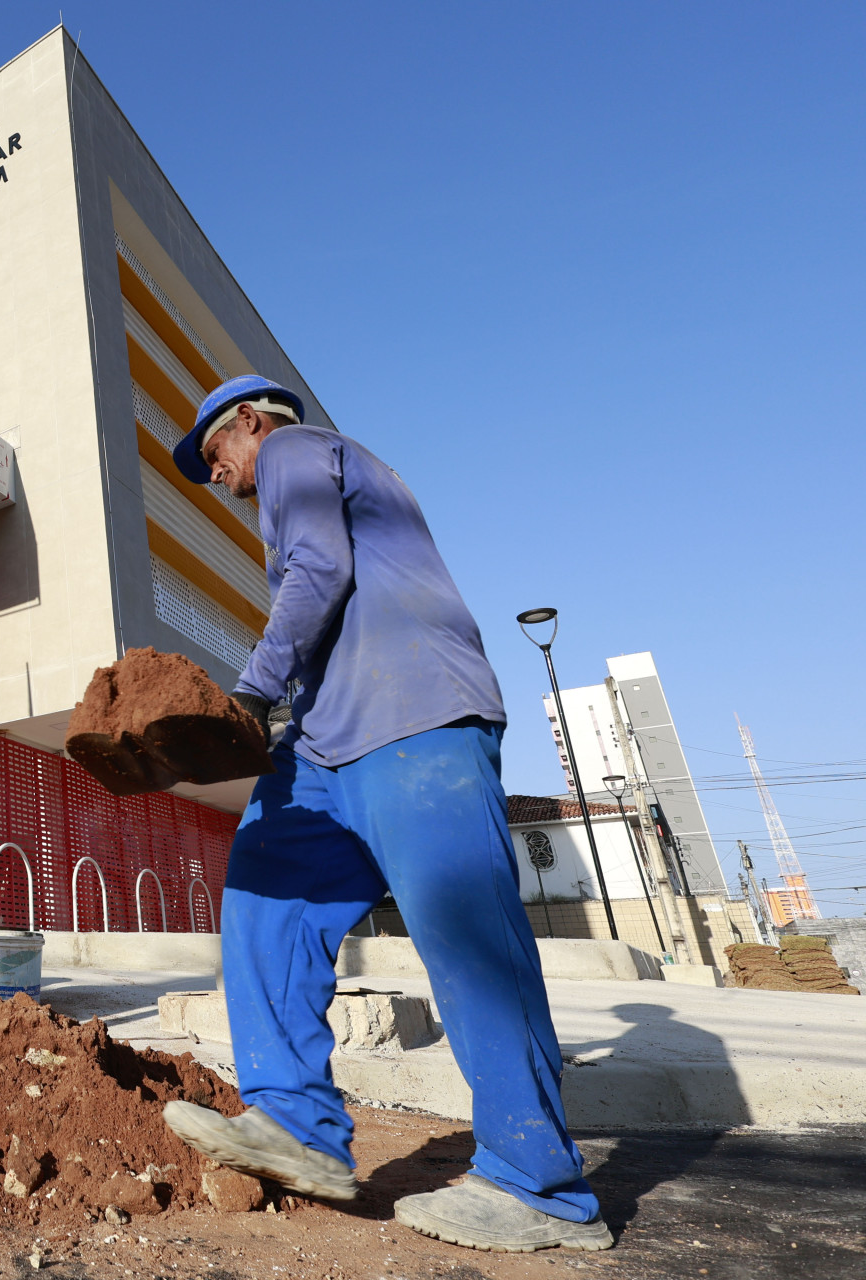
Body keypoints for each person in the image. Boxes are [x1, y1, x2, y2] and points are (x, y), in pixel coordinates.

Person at [158, 375, 612, 1254]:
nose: (214, 474)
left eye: (215, 454)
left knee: (467, 935)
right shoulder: (292, 483)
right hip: (328, 740)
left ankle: (539, 1185)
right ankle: (295, 1126)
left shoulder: (295, 450)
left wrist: (249, 696)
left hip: (415, 714)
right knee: (265, 887)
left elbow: (321, 570)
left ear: (251, 422)